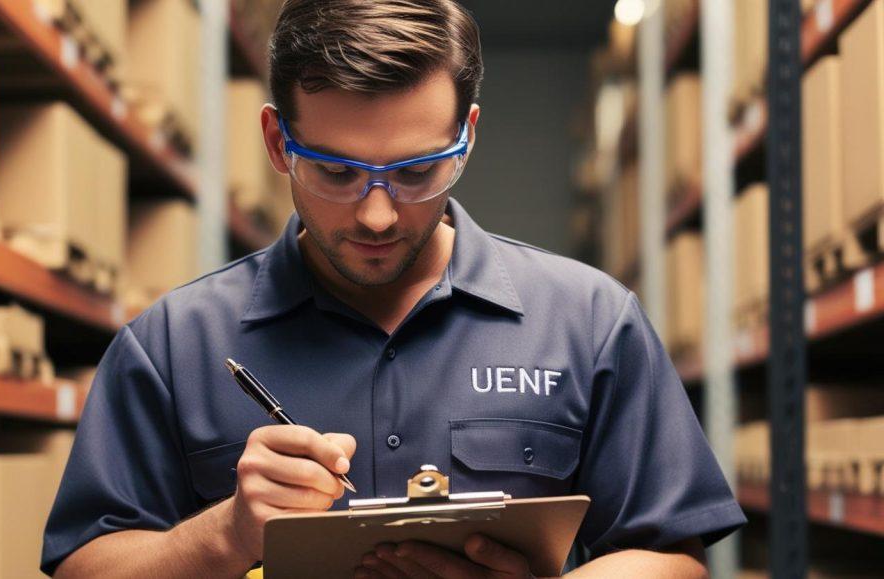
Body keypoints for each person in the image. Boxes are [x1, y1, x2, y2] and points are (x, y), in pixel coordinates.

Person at [43, 1, 745, 577]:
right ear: (278, 141)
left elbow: (671, 556)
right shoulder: (171, 344)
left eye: (416, 172)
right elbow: (84, 567)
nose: (377, 214)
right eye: (337, 172)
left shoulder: (590, 321)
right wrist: (226, 533)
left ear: (466, 137)